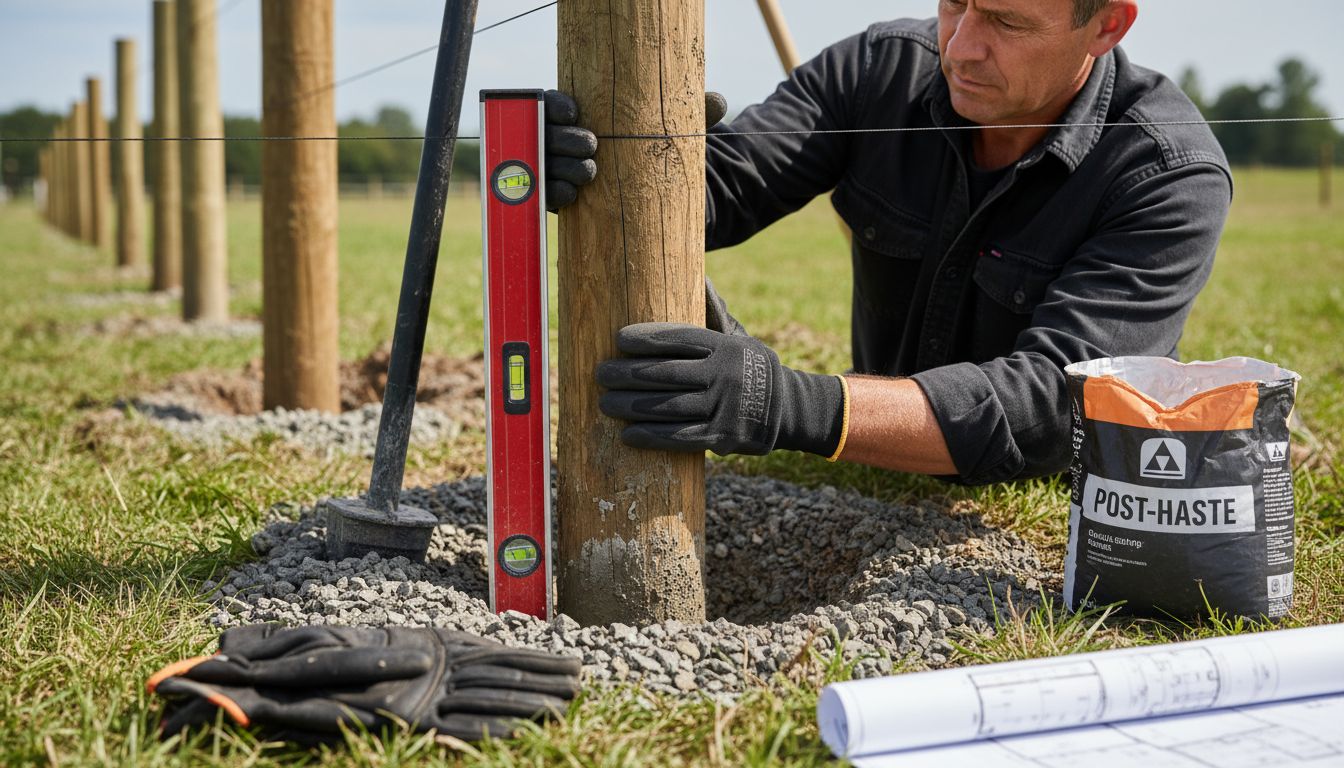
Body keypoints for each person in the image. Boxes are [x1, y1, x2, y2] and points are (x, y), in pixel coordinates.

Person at [544, 0, 1231, 485]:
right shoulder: (879, 72)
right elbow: (720, 191)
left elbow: (1052, 404)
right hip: (871, 451)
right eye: (955, 3)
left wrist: (787, 405)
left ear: (1106, 24)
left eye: (1007, 21)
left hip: (1035, 491)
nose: (961, 47)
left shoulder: (1167, 175)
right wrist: (610, 165)